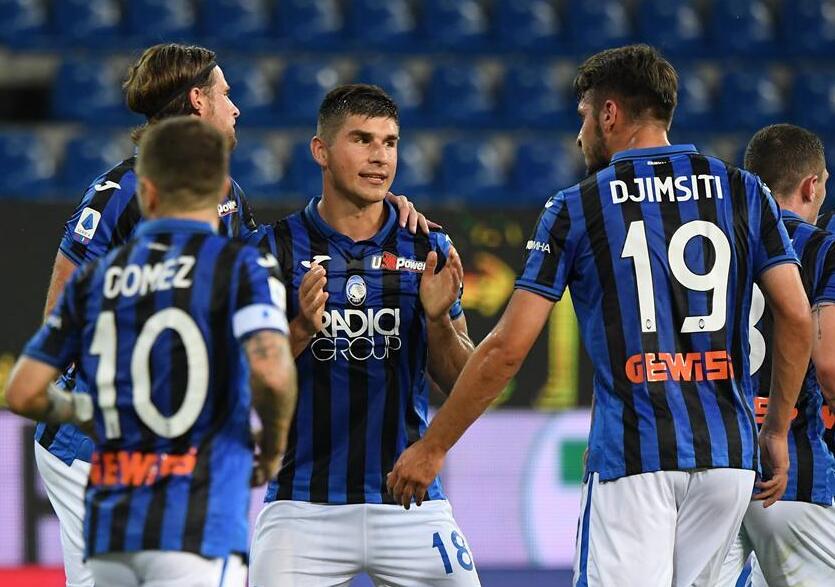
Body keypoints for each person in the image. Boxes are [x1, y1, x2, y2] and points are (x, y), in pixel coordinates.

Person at [387, 44, 813, 587]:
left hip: (634, 457)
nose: (579, 134)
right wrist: (775, 428)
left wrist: (434, 446)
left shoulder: (579, 205)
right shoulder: (744, 190)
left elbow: (507, 350)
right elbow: (796, 315)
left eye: (584, 116)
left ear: (610, 113)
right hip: (728, 458)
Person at [35, 42, 430, 587]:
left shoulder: (227, 196)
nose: (236, 107)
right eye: (225, 93)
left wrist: (388, 214)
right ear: (198, 101)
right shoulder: (123, 192)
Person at [6, 117, 297, 586]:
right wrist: (272, 445)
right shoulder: (241, 264)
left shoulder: (94, 279)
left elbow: (23, 392)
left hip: (115, 519)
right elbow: (273, 373)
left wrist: (87, 411)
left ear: (147, 192)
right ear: (221, 188)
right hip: (197, 515)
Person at [247, 84, 481, 587]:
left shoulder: (428, 246)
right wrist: (299, 329)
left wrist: (438, 320)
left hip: (410, 502)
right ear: (321, 151)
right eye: (362, 140)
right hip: (301, 507)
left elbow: (463, 381)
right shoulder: (272, 249)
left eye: (390, 142)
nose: (380, 157)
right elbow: (248, 383)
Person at [715, 124, 835, 587]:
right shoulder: (822, 249)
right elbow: (829, 366)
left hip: (715, 464)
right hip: (793, 472)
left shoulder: (713, 243)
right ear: (812, 185)